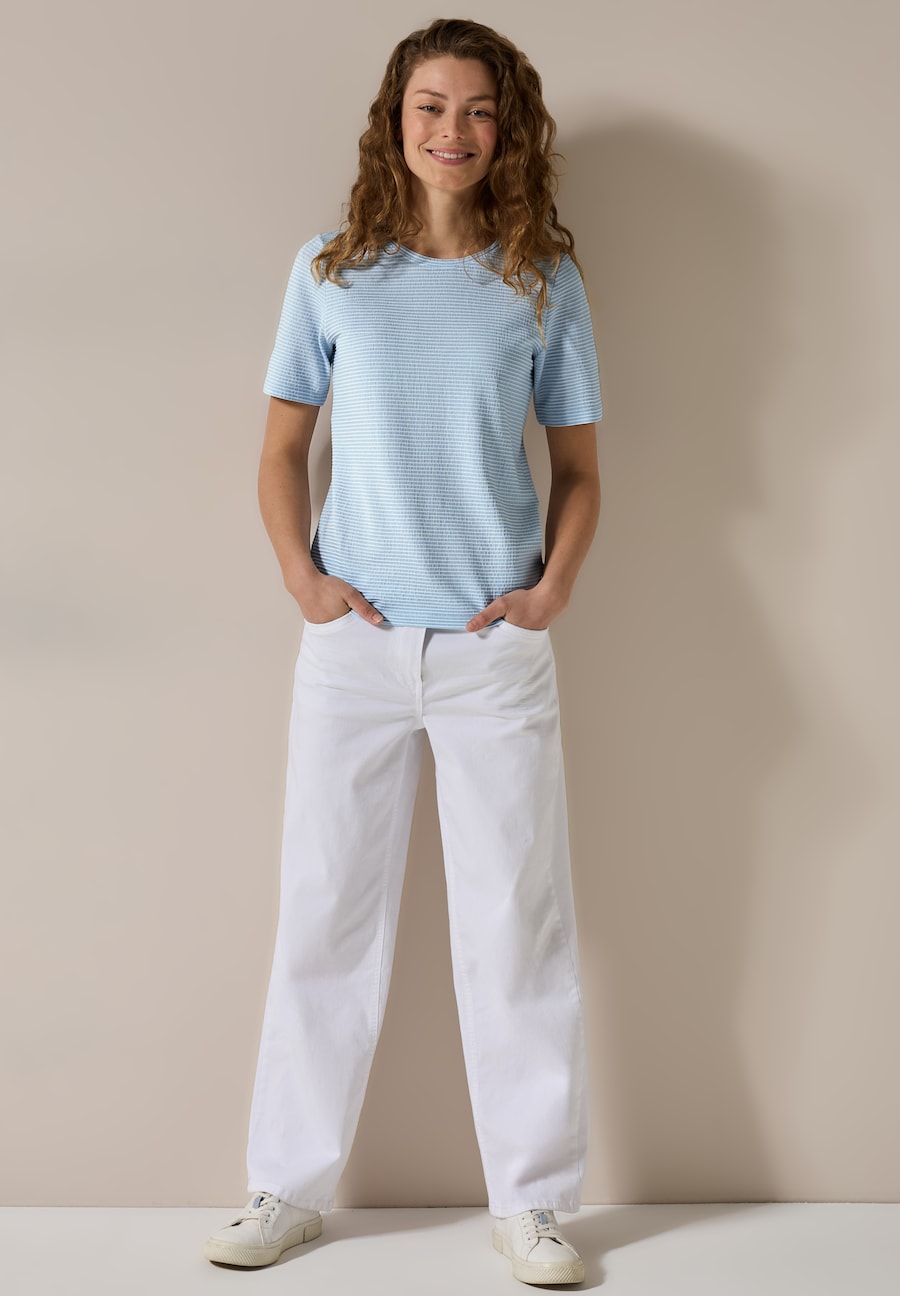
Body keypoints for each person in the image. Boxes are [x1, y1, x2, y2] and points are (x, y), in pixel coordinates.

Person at [203, 16, 602, 1286]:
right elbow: (281, 451)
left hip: (492, 650)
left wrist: (549, 592)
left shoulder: (541, 276)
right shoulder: (331, 272)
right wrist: (303, 582)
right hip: (357, 648)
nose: (453, 131)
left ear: (507, 129)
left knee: (516, 925)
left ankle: (533, 1205)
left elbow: (581, 470)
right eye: (431, 106)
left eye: (478, 110)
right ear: (395, 121)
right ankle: (284, 1187)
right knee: (325, 912)